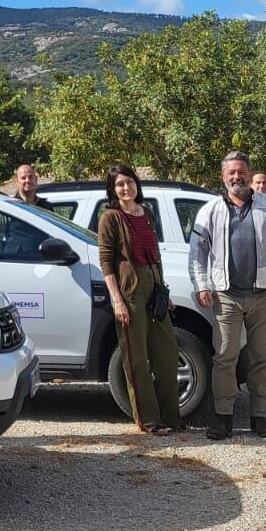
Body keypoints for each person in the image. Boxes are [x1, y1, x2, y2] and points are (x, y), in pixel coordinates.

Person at [188, 150, 266, 440]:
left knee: (260, 358)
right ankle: (222, 417)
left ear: (250, 174)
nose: (237, 177)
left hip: (263, 295)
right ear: (223, 177)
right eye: (231, 173)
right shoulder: (210, 210)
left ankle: (259, 416)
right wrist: (201, 285)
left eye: (241, 172)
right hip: (225, 296)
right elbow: (197, 253)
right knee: (224, 356)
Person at [97, 163, 183, 435]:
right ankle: (149, 421)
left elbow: (154, 254)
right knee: (137, 361)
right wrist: (117, 300)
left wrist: (163, 291)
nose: (126, 188)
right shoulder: (110, 217)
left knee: (167, 356)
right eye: (120, 184)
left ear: (136, 184)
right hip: (130, 293)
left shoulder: (145, 213)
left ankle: (171, 418)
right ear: (113, 189)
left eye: (129, 182)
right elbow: (106, 262)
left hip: (154, 289)